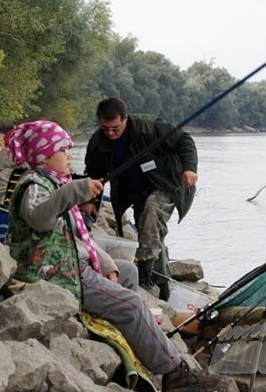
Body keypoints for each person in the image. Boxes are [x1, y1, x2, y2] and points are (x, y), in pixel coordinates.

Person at [4, 120, 222, 392]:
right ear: (44, 155)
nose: (70, 155)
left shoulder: (53, 182)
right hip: (56, 275)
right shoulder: (34, 184)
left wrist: (105, 263)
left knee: (127, 271)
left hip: (67, 264)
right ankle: (175, 374)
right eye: (64, 150)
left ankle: (134, 340)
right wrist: (75, 191)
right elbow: (41, 220)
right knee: (131, 303)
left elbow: (76, 237)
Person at [84, 97, 198, 300]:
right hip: (136, 194)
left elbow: (184, 140)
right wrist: (90, 201)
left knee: (152, 213)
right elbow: (94, 175)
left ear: (125, 119)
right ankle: (163, 286)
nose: (110, 133)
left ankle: (144, 270)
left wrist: (190, 168)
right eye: (105, 128)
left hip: (167, 184)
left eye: (116, 128)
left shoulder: (150, 127)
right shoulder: (98, 142)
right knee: (151, 235)